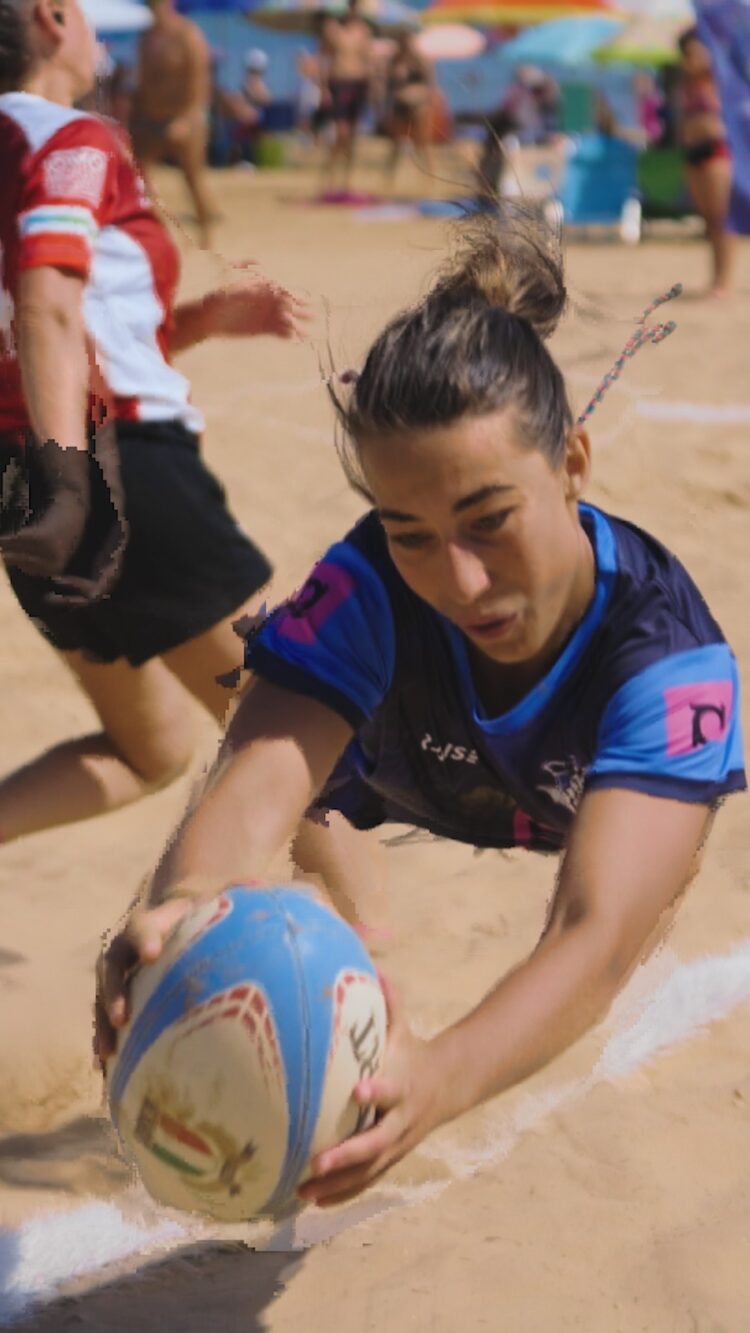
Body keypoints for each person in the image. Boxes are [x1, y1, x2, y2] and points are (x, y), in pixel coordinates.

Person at [97, 215, 745, 1210]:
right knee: (270, 802)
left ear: (573, 462)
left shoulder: (669, 662)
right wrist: (178, 907)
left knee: (646, 882)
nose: (463, 579)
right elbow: (259, 782)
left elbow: (598, 932)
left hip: (561, 786)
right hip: (398, 759)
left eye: (490, 521)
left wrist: (439, 1077)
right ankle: (365, 917)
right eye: (412, 534)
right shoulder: (371, 592)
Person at [0, 0, 308, 843]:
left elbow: (48, 323)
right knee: (291, 726)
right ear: (53, 18)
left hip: (17, 474)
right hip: (109, 463)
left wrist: (199, 319)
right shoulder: (70, 140)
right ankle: (375, 944)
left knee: (152, 749)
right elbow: (46, 310)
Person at [130, 0, 215, 248]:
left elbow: (200, 82)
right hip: (152, 120)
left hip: (185, 118)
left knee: (192, 180)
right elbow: (144, 84)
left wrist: (187, 119)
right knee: (139, 179)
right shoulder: (147, 38)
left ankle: (206, 237)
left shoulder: (187, 34)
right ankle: (152, 236)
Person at [676, 26, 735, 297]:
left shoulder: (719, 77)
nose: (688, 56)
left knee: (722, 220)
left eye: (692, 49)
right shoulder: (686, 83)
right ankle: (715, 279)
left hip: (716, 150)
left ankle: (722, 281)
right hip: (694, 151)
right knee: (710, 222)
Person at [318, 0, 373, 189]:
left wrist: (374, 88)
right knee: (341, 132)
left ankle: (347, 179)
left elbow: (368, 60)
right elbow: (324, 58)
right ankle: (330, 172)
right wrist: (323, 88)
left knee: (352, 135)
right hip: (339, 82)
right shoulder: (332, 27)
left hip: (359, 83)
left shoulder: (364, 30)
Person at [384, 31, 435, 184]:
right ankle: (389, 179)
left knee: (423, 144)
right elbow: (388, 87)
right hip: (401, 104)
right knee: (396, 145)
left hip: (419, 104)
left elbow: (429, 83)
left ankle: (429, 178)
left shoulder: (420, 60)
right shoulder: (394, 61)